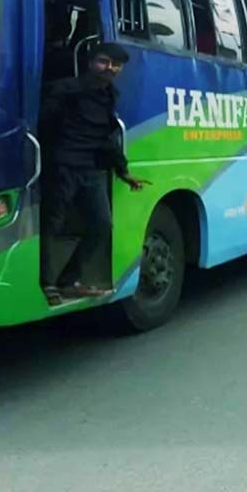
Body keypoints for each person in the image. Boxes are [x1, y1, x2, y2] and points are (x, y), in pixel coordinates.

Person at [39, 43, 149, 304]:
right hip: (61, 166)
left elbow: (108, 138)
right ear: (90, 62)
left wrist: (123, 171)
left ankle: (68, 280)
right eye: (104, 62)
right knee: (51, 226)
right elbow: (44, 125)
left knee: (101, 224)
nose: (109, 68)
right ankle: (46, 284)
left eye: (116, 65)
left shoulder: (109, 95)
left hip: (89, 169)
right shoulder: (64, 89)